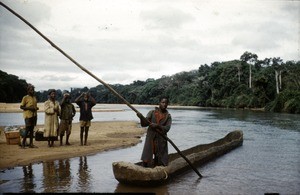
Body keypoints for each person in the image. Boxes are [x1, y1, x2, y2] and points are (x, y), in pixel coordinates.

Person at [137, 97, 172, 167]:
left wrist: (158, 126)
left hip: (161, 139)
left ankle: (157, 166)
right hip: (151, 137)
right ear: (159, 103)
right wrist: (141, 118)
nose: (164, 104)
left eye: (166, 103)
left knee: (159, 158)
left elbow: (167, 128)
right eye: (163, 102)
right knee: (147, 155)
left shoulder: (168, 116)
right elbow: (144, 124)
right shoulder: (152, 112)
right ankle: (145, 166)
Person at [20, 84, 39, 148]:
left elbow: (35, 106)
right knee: (27, 129)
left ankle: (31, 144)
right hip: (28, 116)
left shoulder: (34, 98)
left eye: (33, 90)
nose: (32, 91)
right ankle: (23, 144)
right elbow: (21, 107)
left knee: (31, 130)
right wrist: (30, 108)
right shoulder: (25, 97)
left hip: (34, 115)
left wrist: (36, 108)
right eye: (31, 90)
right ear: (28, 91)